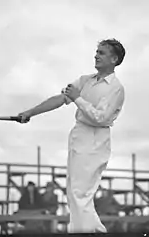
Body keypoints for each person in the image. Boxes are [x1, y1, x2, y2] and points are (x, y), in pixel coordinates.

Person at [17, 38, 125, 233]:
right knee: (75, 193)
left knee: (79, 193)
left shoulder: (116, 88)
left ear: (114, 59)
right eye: (97, 51)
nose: (96, 55)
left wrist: (77, 98)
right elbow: (60, 99)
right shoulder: (85, 80)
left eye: (101, 52)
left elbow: (100, 118)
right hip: (79, 135)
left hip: (96, 139)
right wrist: (30, 112)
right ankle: (96, 231)